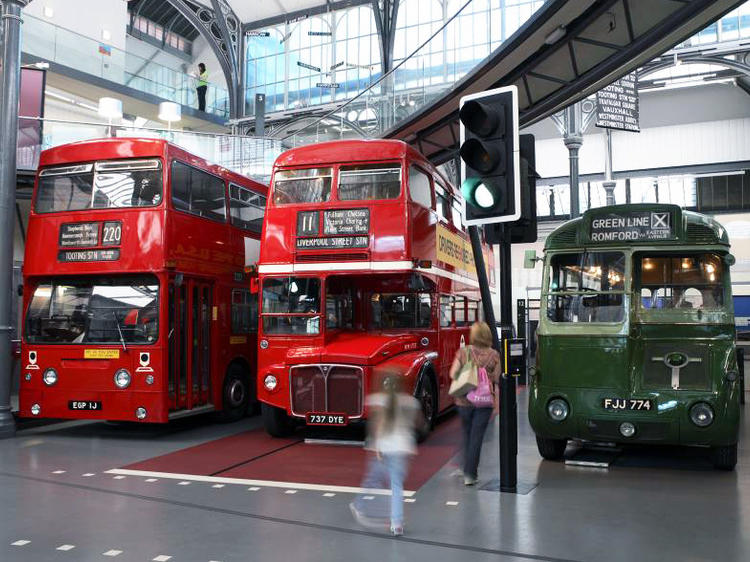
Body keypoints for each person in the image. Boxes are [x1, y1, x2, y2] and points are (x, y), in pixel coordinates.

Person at [350, 372, 422, 536]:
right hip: (403, 447)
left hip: (384, 447)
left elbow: (377, 425)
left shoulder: (378, 400)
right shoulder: (410, 402)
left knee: (372, 478)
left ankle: (359, 504)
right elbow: (416, 424)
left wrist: (376, 446)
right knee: (396, 485)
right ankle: (396, 523)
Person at [448, 321, 500, 486]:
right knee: (476, 437)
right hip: (484, 403)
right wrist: (497, 403)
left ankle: (465, 468)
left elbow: (453, 373)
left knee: (467, 434)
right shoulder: (494, 355)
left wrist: (468, 375)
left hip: (464, 400)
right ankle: (470, 474)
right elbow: (497, 381)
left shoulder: (464, 352)